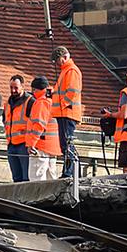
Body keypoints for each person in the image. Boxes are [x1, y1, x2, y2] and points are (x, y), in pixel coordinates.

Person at [51, 48, 84, 179]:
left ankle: (70, 172)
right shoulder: (66, 71)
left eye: (57, 60)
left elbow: (72, 91)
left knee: (67, 143)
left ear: (63, 57)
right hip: (64, 113)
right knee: (65, 143)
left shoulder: (71, 70)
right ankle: (72, 171)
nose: (57, 64)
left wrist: (63, 104)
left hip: (67, 113)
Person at [0, 73, 36, 182]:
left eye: (16, 88)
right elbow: (5, 120)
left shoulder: (30, 102)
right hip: (11, 144)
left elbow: (35, 123)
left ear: (22, 87)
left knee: (26, 178)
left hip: (24, 145)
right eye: (11, 88)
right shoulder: (7, 104)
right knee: (16, 178)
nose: (13, 90)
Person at [27, 74, 62, 182]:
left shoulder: (41, 102)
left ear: (35, 89)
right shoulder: (53, 100)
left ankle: (37, 199)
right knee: (51, 178)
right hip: (52, 146)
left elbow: (39, 125)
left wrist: (31, 143)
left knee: (36, 178)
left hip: (41, 146)